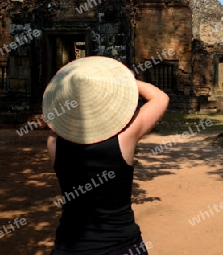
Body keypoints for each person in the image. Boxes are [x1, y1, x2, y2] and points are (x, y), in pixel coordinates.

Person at [43, 56, 169, 255]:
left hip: (70, 246)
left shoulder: (53, 144)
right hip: (122, 245)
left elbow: (52, 121)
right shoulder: (124, 139)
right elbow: (160, 98)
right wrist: (122, 82)